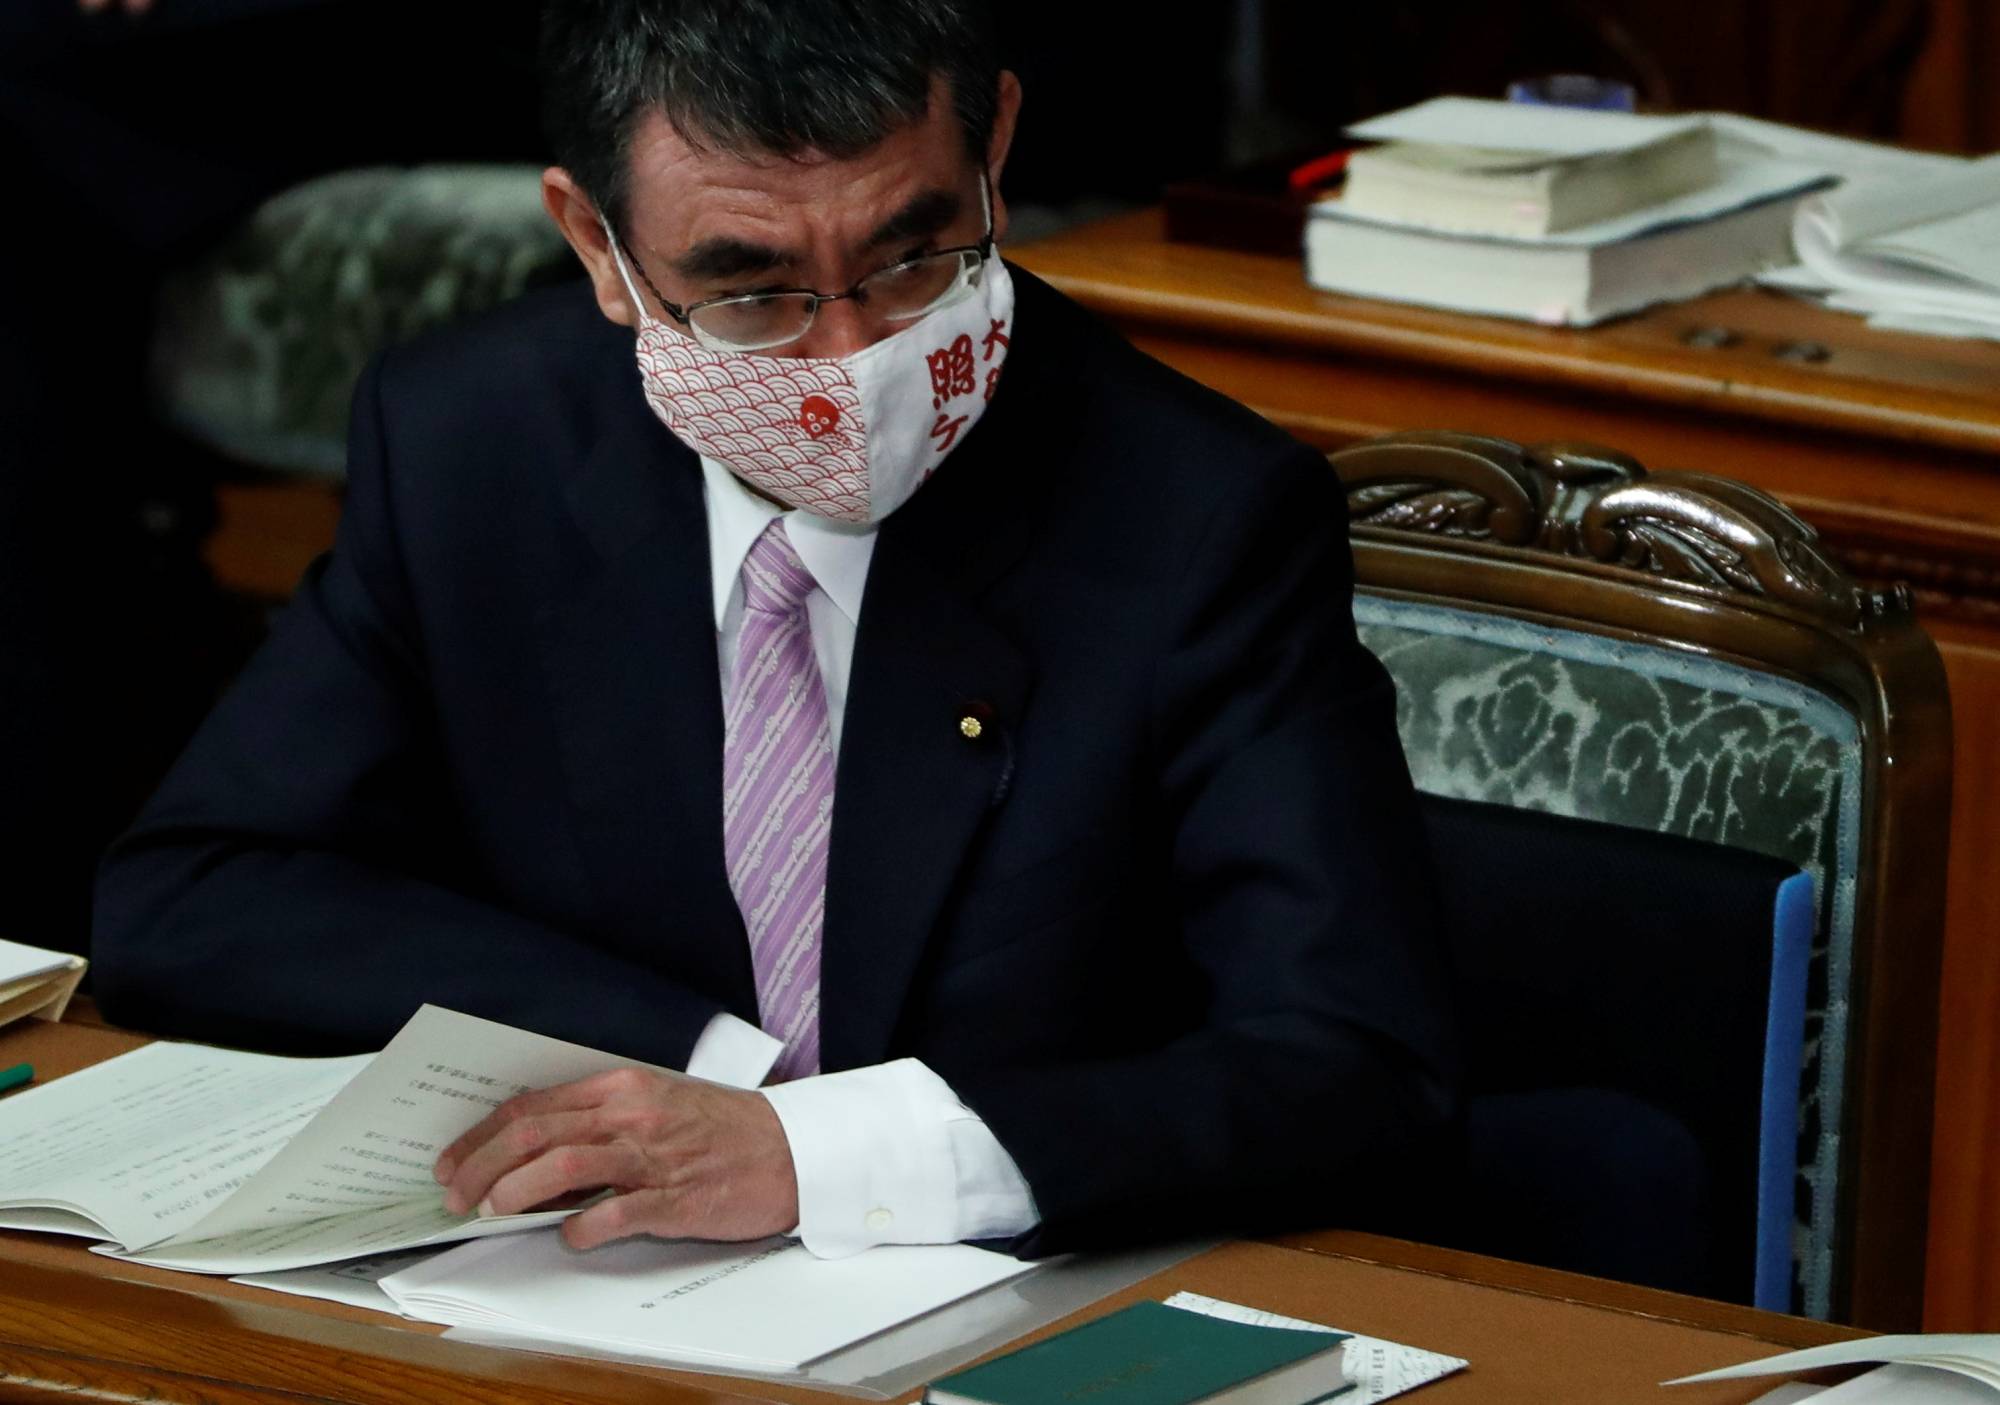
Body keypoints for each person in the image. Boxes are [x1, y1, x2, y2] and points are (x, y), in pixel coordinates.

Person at [93, 0, 1458, 1260]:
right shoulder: (473, 441)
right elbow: (196, 890)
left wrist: (820, 1155)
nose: (848, 361)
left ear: (996, 149)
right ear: (597, 245)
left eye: (914, 256)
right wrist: (692, 1072)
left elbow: (1350, 1057)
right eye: (752, 295)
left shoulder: (1198, 514)